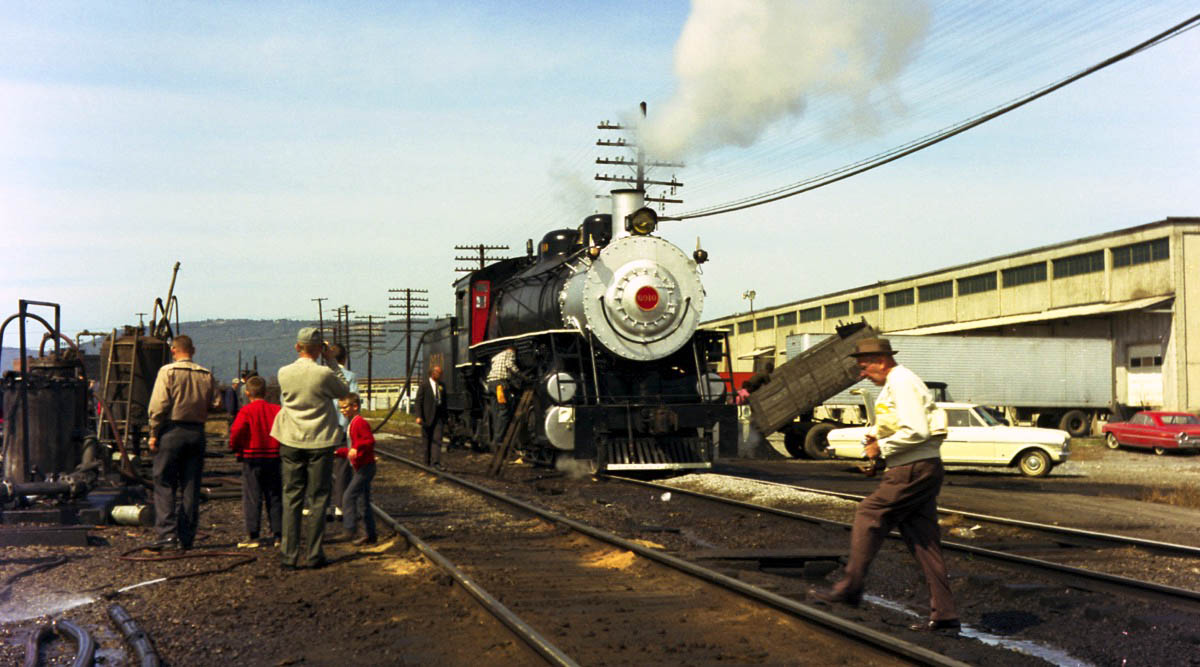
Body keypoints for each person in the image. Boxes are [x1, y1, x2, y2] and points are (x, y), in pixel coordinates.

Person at [809, 337, 959, 633]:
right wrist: (877, 436)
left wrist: (883, 446)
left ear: (881, 360)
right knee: (924, 542)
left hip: (910, 468)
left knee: (868, 514)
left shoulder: (901, 381)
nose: (862, 373)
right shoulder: (897, 383)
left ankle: (850, 587)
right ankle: (945, 614)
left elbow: (916, 429)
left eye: (864, 367)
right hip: (921, 466)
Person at [270, 327, 350, 569]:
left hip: (291, 439)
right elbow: (344, 389)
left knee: (292, 497)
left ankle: (289, 555)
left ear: (297, 347)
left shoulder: (284, 372)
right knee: (318, 499)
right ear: (319, 350)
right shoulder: (324, 373)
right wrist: (332, 361)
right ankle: (314, 554)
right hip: (320, 440)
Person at [146, 335, 218, 551]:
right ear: (193, 350)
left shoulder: (167, 372)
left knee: (165, 483)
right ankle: (187, 537)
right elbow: (216, 402)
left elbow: (158, 406)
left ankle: (167, 537)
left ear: (173, 350)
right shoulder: (206, 374)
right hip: (197, 432)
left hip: (171, 431)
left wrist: (153, 432)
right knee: (191, 486)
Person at [228, 375, 283, 548]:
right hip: (274, 457)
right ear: (265, 392)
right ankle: (278, 535)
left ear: (247, 392)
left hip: (252, 458)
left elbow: (236, 432)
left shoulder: (245, 411)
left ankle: (253, 535)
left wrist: (235, 447)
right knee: (274, 496)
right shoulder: (277, 410)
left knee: (253, 496)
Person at [336, 393, 377, 546]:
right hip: (362, 466)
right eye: (340, 408)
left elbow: (369, 441)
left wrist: (356, 448)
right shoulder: (352, 423)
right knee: (364, 501)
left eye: (345, 407)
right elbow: (351, 449)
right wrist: (337, 452)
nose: (342, 411)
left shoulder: (359, 423)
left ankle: (349, 529)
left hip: (365, 468)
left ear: (355, 406)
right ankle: (370, 535)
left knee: (348, 496)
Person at [328, 344, 358, 520]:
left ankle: (323, 507)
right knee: (342, 470)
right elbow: (353, 401)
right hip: (342, 427)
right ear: (345, 358)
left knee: (323, 469)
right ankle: (340, 507)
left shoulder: (323, 375)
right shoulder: (350, 377)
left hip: (324, 428)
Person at [485, 346, 518, 449]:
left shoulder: (497, 356)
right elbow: (509, 365)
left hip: (491, 385)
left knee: (496, 412)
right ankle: (498, 439)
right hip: (500, 385)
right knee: (504, 411)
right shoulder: (510, 353)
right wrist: (519, 373)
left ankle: (495, 438)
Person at [414, 365, 446, 467]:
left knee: (437, 439)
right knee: (427, 440)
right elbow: (418, 402)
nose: (440, 376)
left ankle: (435, 462)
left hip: (439, 417)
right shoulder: (424, 385)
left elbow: (445, 402)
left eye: (441, 374)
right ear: (433, 373)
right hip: (426, 417)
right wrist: (419, 416)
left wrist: (446, 416)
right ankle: (426, 462)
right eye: (439, 373)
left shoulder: (442, 386)